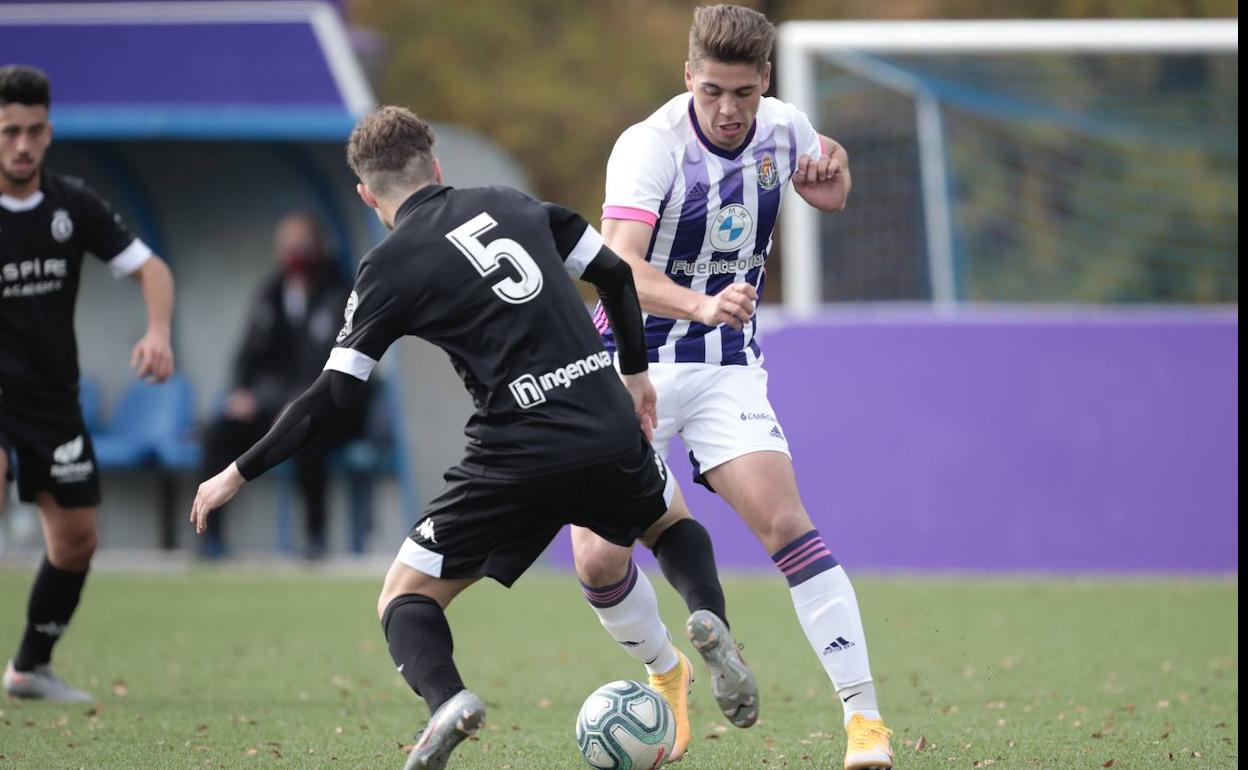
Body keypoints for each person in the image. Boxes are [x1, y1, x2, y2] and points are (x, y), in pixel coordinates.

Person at [190, 106, 692, 770]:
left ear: (368, 197)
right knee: (661, 525)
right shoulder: (511, 202)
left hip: (511, 451)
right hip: (597, 424)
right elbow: (617, 276)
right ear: (435, 167)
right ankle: (700, 621)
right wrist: (634, 376)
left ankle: (447, 699)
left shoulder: (387, 264)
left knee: (403, 596)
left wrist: (236, 471)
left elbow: (333, 396)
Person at [571, 5, 895, 768]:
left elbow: (830, 184)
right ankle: (669, 674)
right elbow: (615, 269)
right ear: (688, 77)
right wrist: (700, 303)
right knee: (595, 561)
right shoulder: (649, 147)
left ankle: (865, 724)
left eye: (742, 94)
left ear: (766, 85)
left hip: (725, 365)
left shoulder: (785, 128)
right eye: (711, 90)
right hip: (629, 365)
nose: (726, 110)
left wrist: (834, 167)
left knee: (786, 521)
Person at [0, 65, 175, 701]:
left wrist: (157, 332)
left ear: (49, 133)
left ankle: (28, 668)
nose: (22, 144)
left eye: (34, 131)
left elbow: (152, 270)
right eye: (9, 131)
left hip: (51, 400)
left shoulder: (73, 205)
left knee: (76, 541)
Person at [198, 211, 367, 559]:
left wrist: (295, 403)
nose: (295, 251)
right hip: (271, 404)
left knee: (307, 434)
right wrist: (242, 393)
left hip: (329, 406)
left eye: (302, 243)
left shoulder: (339, 293)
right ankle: (210, 539)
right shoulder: (271, 293)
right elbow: (247, 355)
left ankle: (314, 538)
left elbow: (333, 365)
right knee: (221, 431)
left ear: (319, 247)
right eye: (288, 244)